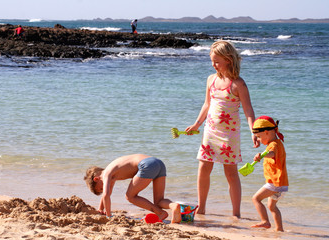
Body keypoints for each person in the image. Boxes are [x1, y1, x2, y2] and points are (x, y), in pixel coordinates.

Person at [185, 40, 259, 218]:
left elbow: (248, 110)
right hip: (210, 131)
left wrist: (254, 131)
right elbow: (206, 104)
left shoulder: (238, 84)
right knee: (203, 168)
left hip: (229, 135)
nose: (213, 64)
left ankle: (236, 213)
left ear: (228, 59)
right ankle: (201, 208)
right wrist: (197, 124)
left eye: (217, 61)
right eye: (212, 61)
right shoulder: (211, 79)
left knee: (231, 173)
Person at [84, 154, 182, 223]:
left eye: (100, 188)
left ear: (96, 179)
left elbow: (105, 195)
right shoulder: (111, 171)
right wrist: (101, 209)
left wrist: (108, 216)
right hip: (158, 163)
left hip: (146, 165)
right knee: (159, 201)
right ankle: (173, 206)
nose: (104, 189)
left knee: (130, 196)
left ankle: (160, 213)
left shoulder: (106, 174)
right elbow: (107, 194)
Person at [251, 116, 288, 232]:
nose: (259, 140)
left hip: (275, 183)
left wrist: (261, 155)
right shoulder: (275, 143)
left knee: (256, 199)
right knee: (272, 207)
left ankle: (265, 221)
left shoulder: (274, 145)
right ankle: (279, 229)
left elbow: (271, 153)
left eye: (259, 137)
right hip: (281, 183)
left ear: (266, 132)